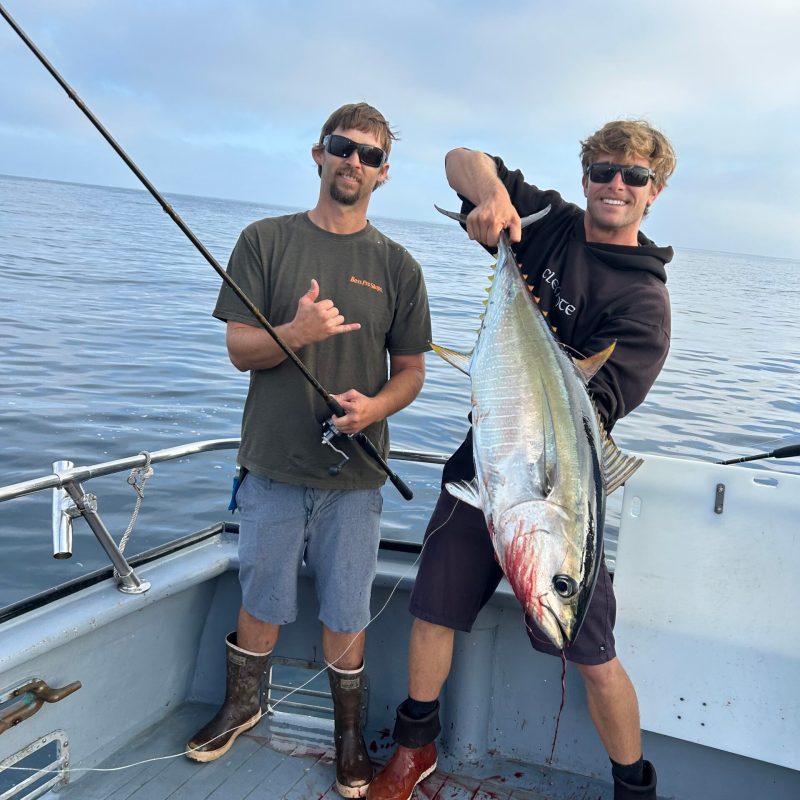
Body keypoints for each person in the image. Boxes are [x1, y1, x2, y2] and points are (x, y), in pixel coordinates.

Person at [367, 120, 676, 800]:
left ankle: (634, 789)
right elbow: (459, 159)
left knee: (594, 658)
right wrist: (493, 201)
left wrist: (528, 383)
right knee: (432, 613)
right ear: (585, 177)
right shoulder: (548, 223)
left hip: (553, 485)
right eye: (602, 170)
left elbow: (592, 413)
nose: (615, 185)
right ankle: (413, 749)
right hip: (484, 475)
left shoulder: (645, 305)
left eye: (634, 176)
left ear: (655, 193)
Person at [186, 102, 431, 800]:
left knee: (347, 611)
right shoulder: (263, 241)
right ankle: (242, 705)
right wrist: (296, 330)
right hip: (270, 466)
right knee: (260, 597)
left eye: (371, 156)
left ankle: (348, 735)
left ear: (384, 175)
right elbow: (239, 350)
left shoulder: (399, 265)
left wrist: (375, 409)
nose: (354, 162)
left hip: (355, 476)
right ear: (318, 154)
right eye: (342, 148)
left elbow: (411, 369)